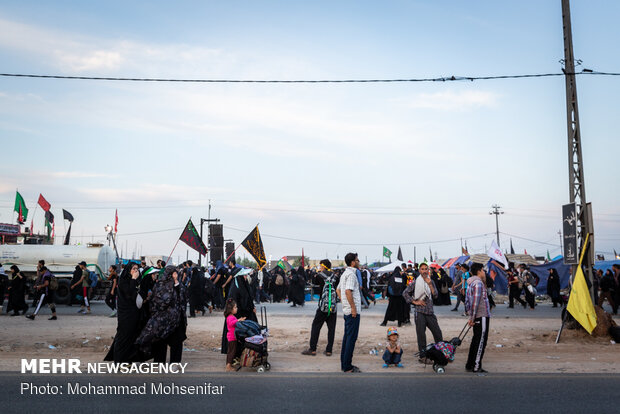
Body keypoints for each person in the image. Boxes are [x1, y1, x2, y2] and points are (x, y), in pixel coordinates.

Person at [136, 265, 188, 363]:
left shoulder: (179, 285)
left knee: (176, 342)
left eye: (176, 273)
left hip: (176, 319)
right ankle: (159, 361)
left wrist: (177, 285)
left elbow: (183, 299)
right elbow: (156, 300)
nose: (176, 275)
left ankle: (175, 362)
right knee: (160, 341)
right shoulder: (159, 285)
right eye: (174, 273)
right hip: (162, 319)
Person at [403, 262, 442, 363]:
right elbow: (405, 293)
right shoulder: (416, 282)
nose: (424, 271)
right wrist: (415, 301)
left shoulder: (431, 281)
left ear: (428, 270)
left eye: (426, 269)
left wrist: (429, 284)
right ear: (419, 271)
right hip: (419, 312)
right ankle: (423, 356)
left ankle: (441, 354)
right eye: (423, 269)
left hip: (430, 312)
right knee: (421, 336)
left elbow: (436, 295)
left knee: (438, 333)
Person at [105, 263, 142, 362]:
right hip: (125, 313)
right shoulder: (123, 280)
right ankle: (119, 361)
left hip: (134, 312)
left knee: (131, 337)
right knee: (123, 336)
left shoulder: (137, 280)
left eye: (137, 269)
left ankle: (128, 359)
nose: (136, 271)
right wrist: (133, 279)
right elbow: (129, 292)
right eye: (133, 269)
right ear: (128, 270)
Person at [301, 259, 338, 357]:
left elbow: (314, 285)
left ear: (323, 266)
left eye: (320, 266)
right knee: (331, 328)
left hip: (322, 305)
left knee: (316, 326)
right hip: (333, 306)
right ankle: (329, 350)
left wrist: (317, 273)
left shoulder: (319, 276)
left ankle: (312, 349)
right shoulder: (335, 276)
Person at [336, 252, 362, 373]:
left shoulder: (344, 273)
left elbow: (338, 290)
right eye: (357, 260)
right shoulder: (351, 274)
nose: (358, 262)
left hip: (347, 309)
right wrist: (352, 307)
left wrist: (344, 303)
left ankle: (345, 364)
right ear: (352, 262)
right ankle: (347, 366)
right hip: (352, 311)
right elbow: (347, 291)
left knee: (347, 337)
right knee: (351, 338)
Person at [465, 263, 492, 373]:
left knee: (475, 340)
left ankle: (469, 364)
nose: (484, 272)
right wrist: (472, 317)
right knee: (481, 341)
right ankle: (476, 366)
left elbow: (467, 301)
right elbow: (475, 303)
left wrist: (470, 314)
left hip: (477, 316)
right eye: (483, 270)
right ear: (479, 271)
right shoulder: (478, 284)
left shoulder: (471, 283)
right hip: (481, 315)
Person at [224, 299, 246, 371]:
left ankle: (229, 364)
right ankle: (228, 366)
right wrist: (238, 320)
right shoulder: (230, 317)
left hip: (233, 337)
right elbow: (231, 323)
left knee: (231, 351)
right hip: (232, 337)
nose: (237, 308)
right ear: (231, 309)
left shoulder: (231, 316)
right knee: (231, 352)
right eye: (235, 307)